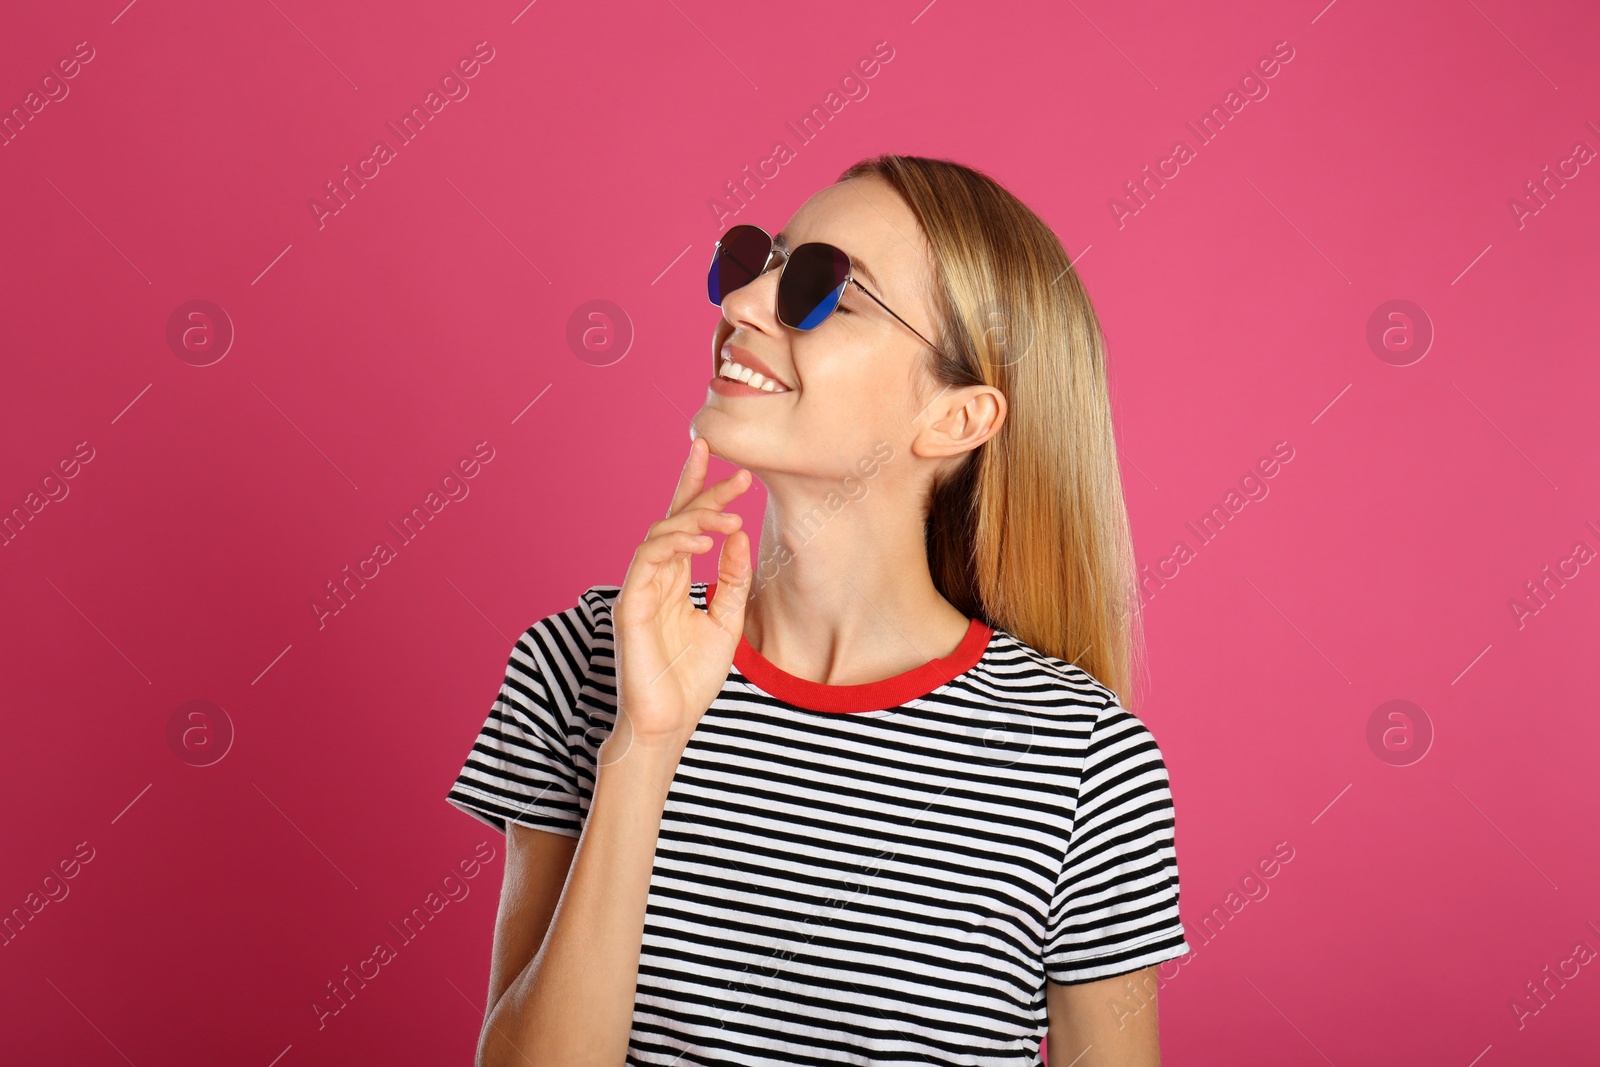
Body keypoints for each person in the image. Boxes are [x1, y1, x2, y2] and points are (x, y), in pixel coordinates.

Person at [446, 153, 1191, 1065]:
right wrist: (643, 745)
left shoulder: (1084, 764)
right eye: (761, 260)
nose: (745, 306)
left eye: (823, 290)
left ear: (956, 418)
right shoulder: (581, 660)